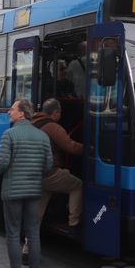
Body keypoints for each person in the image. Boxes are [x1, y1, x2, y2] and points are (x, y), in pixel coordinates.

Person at [0, 99, 53, 268]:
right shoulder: (42, 136)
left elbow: (1, 165)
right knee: (33, 233)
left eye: (12, 109)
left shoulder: (9, 135)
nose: (8, 112)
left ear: (21, 113)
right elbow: (49, 165)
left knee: (13, 233)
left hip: (12, 192)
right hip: (34, 191)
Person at [32, 98, 83, 230]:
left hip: (34, 174)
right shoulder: (53, 127)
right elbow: (70, 147)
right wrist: (89, 148)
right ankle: (74, 222)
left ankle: (28, 243)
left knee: (38, 213)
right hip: (49, 174)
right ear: (55, 113)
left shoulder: (32, 122)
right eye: (60, 113)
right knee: (77, 186)